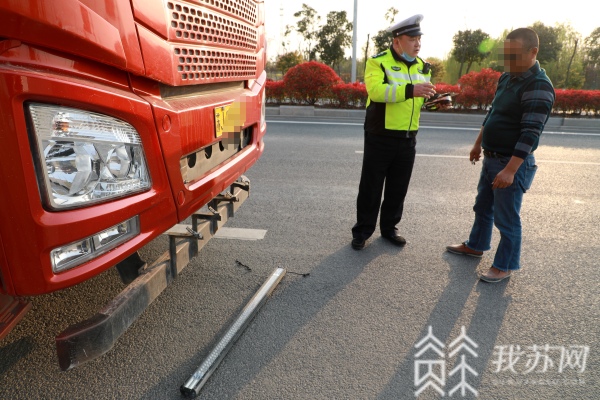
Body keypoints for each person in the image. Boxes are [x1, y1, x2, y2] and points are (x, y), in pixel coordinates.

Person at [446, 28, 555, 283]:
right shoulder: (507, 77)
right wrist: (478, 144)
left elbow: (530, 133)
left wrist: (510, 170)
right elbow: (492, 114)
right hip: (492, 158)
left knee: (507, 219)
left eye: (514, 55)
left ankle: (504, 266)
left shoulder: (538, 85)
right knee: (483, 207)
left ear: (533, 52)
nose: (508, 61)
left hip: (510, 163)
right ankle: (476, 245)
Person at [351, 14, 436, 250]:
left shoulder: (423, 66)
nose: (417, 44)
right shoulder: (378, 62)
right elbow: (377, 92)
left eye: (419, 39)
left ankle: (389, 228)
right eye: (412, 39)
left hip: (408, 137)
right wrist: (411, 90)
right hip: (380, 135)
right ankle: (362, 231)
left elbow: (419, 98)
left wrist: (433, 101)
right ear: (397, 41)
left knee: (398, 188)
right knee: (371, 187)